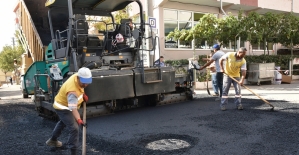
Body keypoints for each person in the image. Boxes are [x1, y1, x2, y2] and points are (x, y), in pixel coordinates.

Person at [46, 67, 92, 155]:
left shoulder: (77, 76)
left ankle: (53, 140)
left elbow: (80, 88)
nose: (86, 85)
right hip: (62, 107)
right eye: (84, 82)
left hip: (65, 103)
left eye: (87, 82)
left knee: (63, 122)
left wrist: (83, 95)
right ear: (78, 78)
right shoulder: (72, 92)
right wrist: (79, 120)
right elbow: (73, 109)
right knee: (74, 128)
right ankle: (73, 151)